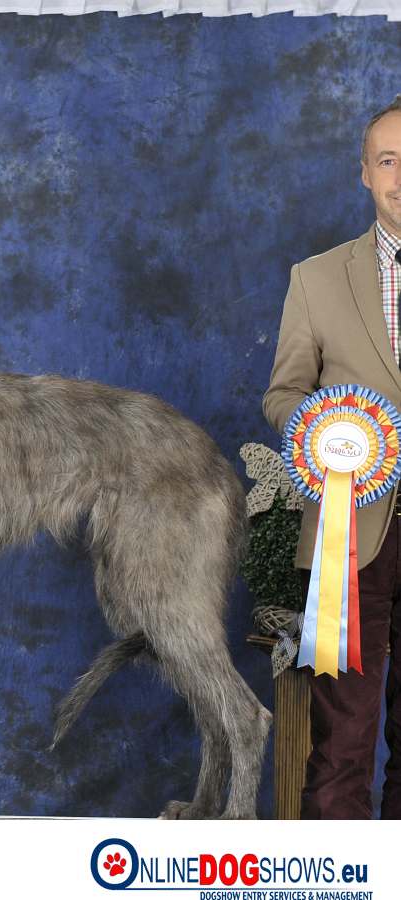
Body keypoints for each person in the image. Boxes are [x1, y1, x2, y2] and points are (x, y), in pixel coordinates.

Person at [263, 95, 401, 818]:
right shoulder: (315, 278)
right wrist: (331, 432)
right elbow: (283, 394)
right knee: (342, 743)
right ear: (364, 172)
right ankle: (337, 870)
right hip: (352, 535)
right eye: (389, 160)